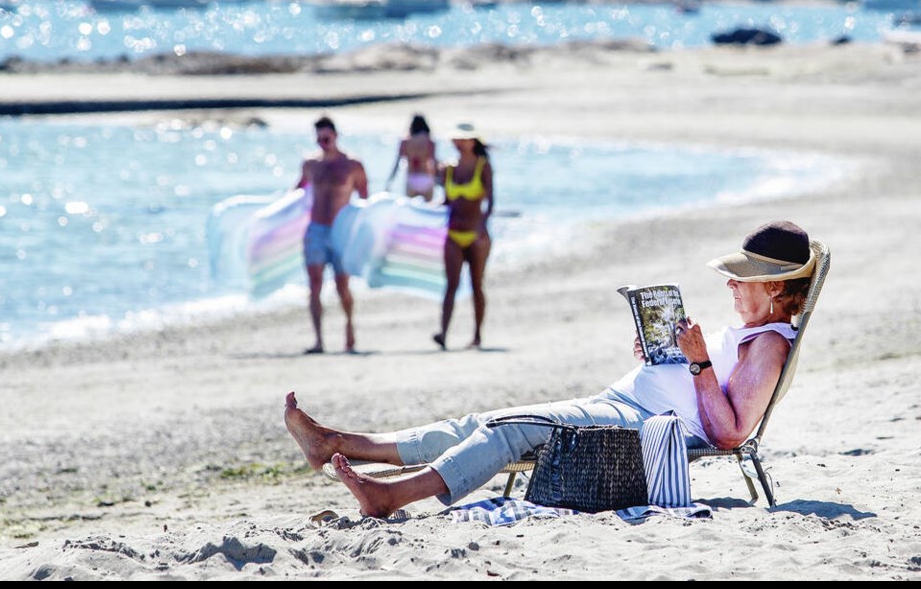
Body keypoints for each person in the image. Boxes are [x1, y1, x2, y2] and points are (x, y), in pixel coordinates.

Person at [284, 221, 817, 518]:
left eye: (740, 279)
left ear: (774, 287)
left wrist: (697, 360)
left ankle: (392, 494)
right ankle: (339, 442)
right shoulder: (752, 334)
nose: (731, 285)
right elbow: (709, 388)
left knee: (509, 431)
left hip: (642, 426)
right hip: (629, 402)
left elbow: (727, 433)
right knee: (482, 422)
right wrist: (669, 355)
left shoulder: (769, 345)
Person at [294, 116, 369, 354]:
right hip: (315, 230)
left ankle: (349, 328)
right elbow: (297, 193)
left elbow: (365, 199)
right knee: (314, 285)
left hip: (341, 231)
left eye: (326, 138)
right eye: (319, 139)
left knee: (342, 285)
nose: (323, 143)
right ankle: (318, 340)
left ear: (335, 136)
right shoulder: (310, 164)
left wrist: (362, 232)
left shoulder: (352, 165)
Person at [431, 122, 494, 350]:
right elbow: (446, 201)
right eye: (456, 139)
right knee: (451, 284)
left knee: (477, 284)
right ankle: (443, 334)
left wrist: (482, 227)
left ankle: (477, 335)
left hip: (477, 235)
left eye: (464, 139)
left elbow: (490, 202)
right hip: (453, 232)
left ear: (473, 142)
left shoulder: (483, 167)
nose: (459, 143)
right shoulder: (447, 168)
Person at [386, 114, 438, 201]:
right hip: (426, 177)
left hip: (412, 178)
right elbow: (434, 162)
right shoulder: (429, 141)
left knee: (410, 210)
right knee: (427, 210)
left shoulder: (405, 142)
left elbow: (397, 163)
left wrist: (390, 180)